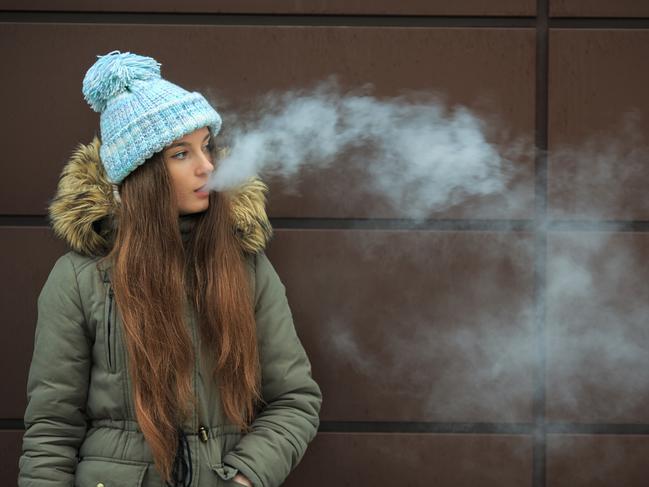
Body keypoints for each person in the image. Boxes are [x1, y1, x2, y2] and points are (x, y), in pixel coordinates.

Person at [17, 50, 322, 487]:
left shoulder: (245, 266)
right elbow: (52, 430)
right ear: (143, 173)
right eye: (181, 154)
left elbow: (295, 400)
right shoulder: (80, 279)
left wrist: (244, 478)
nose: (207, 166)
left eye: (206, 147)